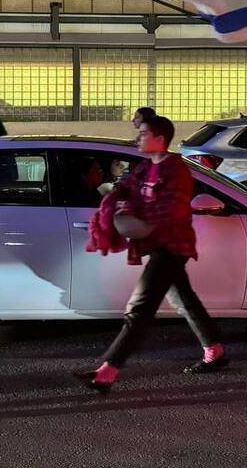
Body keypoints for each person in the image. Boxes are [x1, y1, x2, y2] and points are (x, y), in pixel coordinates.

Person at [77, 115, 226, 392]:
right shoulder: (145, 168)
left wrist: (134, 214)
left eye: (143, 133)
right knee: (183, 299)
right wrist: (116, 201)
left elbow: (173, 210)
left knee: (139, 309)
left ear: (160, 138)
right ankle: (214, 349)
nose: (138, 138)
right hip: (155, 246)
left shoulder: (176, 171)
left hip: (172, 247)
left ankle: (107, 371)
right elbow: (124, 188)